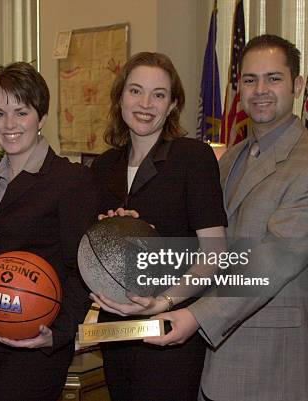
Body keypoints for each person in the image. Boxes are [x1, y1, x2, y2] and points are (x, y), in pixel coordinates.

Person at [146, 35, 308, 401]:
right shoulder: (228, 160)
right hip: (214, 367)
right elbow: (207, 244)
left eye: (274, 78)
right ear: (238, 88)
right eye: (250, 79)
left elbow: (276, 256)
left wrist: (196, 316)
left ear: (298, 85)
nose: (261, 90)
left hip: (277, 369)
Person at [89, 52, 228, 401]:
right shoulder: (104, 165)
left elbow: (215, 253)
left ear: (173, 105)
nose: (146, 103)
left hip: (169, 330)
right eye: (135, 91)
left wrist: (163, 303)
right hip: (115, 326)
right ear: (120, 97)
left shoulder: (192, 158)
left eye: (159, 94)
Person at [0, 62, 99, 401]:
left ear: (41, 117)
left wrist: (58, 333)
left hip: (37, 341)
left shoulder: (70, 181)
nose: (9, 125)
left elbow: (82, 265)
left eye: (21, 112)